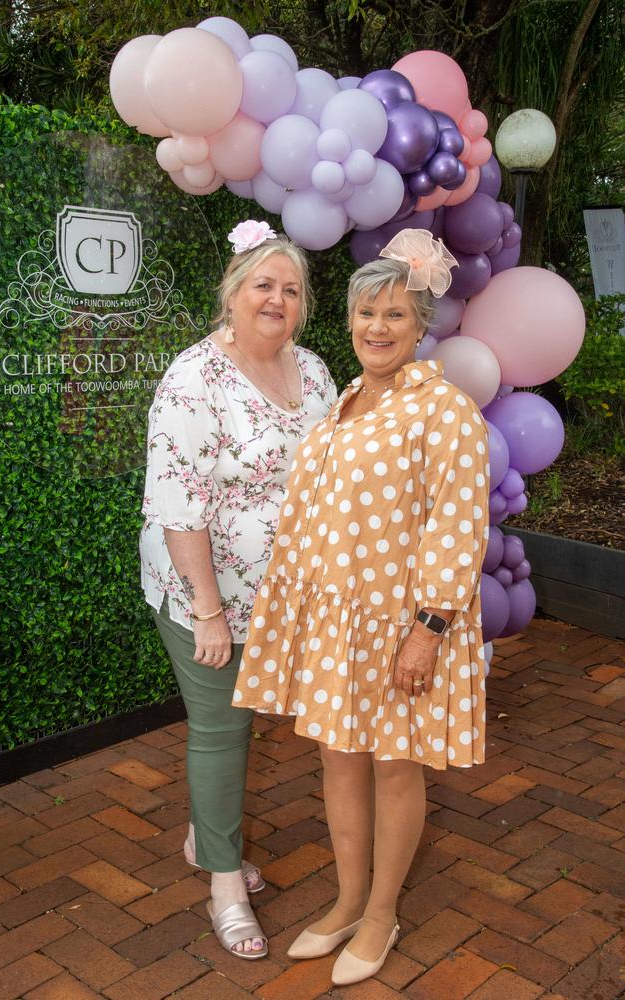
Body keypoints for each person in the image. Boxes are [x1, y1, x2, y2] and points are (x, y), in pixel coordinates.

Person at [233, 229, 490, 984]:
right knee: (339, 761)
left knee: (394, 768)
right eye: (365, 313)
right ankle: (347, 900)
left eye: (395, 316)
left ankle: (382, 913)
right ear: (347, 320)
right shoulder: (346, 400)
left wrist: (429, 630)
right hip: (336, 625)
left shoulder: (442, 410)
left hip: (403, 627)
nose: (376, 328)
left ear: (421, 327)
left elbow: (458, 525)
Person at [139, 220, 337, 960]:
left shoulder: (312, 371)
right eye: (264, 284)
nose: (277, 299)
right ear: (232, 293)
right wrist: (210, 611)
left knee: (250, 717)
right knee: (222, 733)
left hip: (282, 593)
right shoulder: (194, 378)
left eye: (290, 289)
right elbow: (175, 501)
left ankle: (204, 833)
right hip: (205, 593)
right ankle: (224, 883)